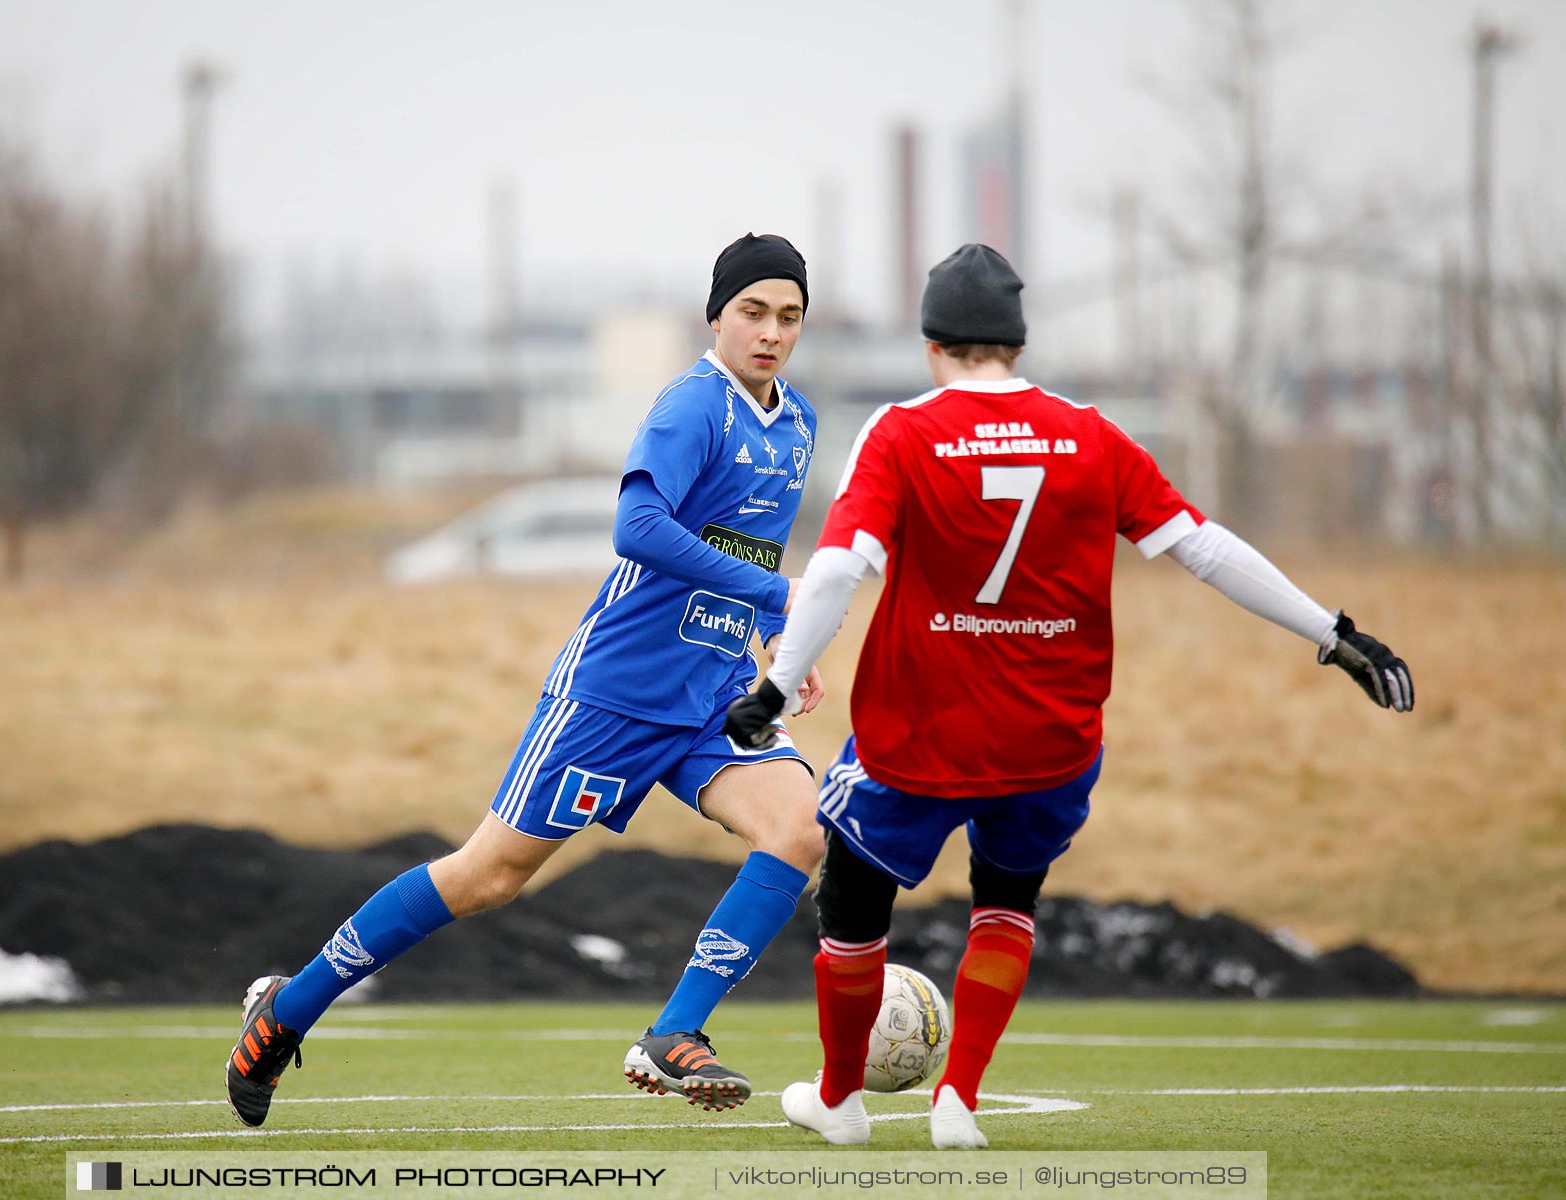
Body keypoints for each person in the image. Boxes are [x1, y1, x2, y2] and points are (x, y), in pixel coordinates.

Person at [724, 244, 1414, 1150]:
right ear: (1017, 340)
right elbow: (1203, 546)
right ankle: (959, 1099)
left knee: (853, 899)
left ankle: (842, 1100)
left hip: (921, 732)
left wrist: (775, 689)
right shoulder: (1093, 435)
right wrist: (1333, 633)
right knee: (1006, 903)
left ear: (933, 341)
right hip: (1050, 739)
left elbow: (840, 568)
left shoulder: (903, 432)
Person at [226, 233, 829, 1127]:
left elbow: (746, 551)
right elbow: (638, 528)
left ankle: (673, 1033)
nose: (770, 332)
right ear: (717, 314)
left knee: (801, 830)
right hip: (613, 695)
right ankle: (290, 1009)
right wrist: (774, 591)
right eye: (753, 311)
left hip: (710, 699)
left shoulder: (800, 422)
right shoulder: (693, 407)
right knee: (486, 878)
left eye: (788, 316)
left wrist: (778, 633)